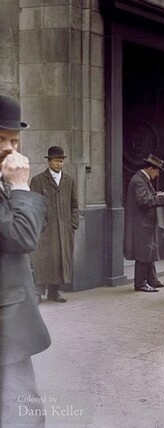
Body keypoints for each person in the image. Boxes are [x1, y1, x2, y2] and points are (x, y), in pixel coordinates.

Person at [0, 94, 51, 426]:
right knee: (22, 410)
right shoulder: (11, 184)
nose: (10, 149)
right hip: (5, 314)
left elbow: (34, 224)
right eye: (2, 139)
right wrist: (20, 187)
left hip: (10, 311)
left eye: (14, 140)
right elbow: (21, 238)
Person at [30, 146, 79, 303]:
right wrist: (41, 225)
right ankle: (38, 292)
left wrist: (73, 224)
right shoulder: (38, 180)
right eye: (57, 161)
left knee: (60, 260)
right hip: (45, 230)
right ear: (49, 161)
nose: (60, 164)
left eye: (62, 161)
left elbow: (75, 205)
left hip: (64, 229)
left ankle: (54, 292)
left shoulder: (69, 180)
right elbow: (34, 205)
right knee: (42, 260)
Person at [124, 154, 164, 292]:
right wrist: (163, 198)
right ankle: (140, 283)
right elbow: (144, 201)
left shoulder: (141, 179)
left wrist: (157, 195)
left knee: (150, 252)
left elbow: (147, 197)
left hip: (145, 223)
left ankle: (152, 280)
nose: (157, 174)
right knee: (144, 254)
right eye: (157, 171)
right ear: (150, 168)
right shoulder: (139, 180)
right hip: (142, 224)